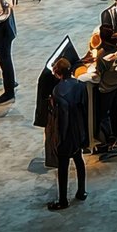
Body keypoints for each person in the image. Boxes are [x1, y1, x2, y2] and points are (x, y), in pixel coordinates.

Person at [45, 57, 88, 210]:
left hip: (66, 133)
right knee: (79, 160)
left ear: (58, 73)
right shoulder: (80, 85)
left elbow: (62, 118)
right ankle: (81, 191)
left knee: (63, 168)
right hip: (79, 131)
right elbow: (84, 110)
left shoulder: (57, 91)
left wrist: (59, 139)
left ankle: (63, 200)